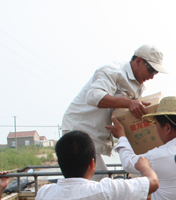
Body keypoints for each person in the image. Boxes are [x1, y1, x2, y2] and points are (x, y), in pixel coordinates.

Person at [62, 44, 167, 176]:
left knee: (99, 179)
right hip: (79, 132)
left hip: (96, 137)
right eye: (151, 70)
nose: (152, 76)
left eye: (155, 72)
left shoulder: (138, 86)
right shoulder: (112, 71)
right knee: (98, 181)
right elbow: (93, 96)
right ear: (138, 61)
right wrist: (129, 103)